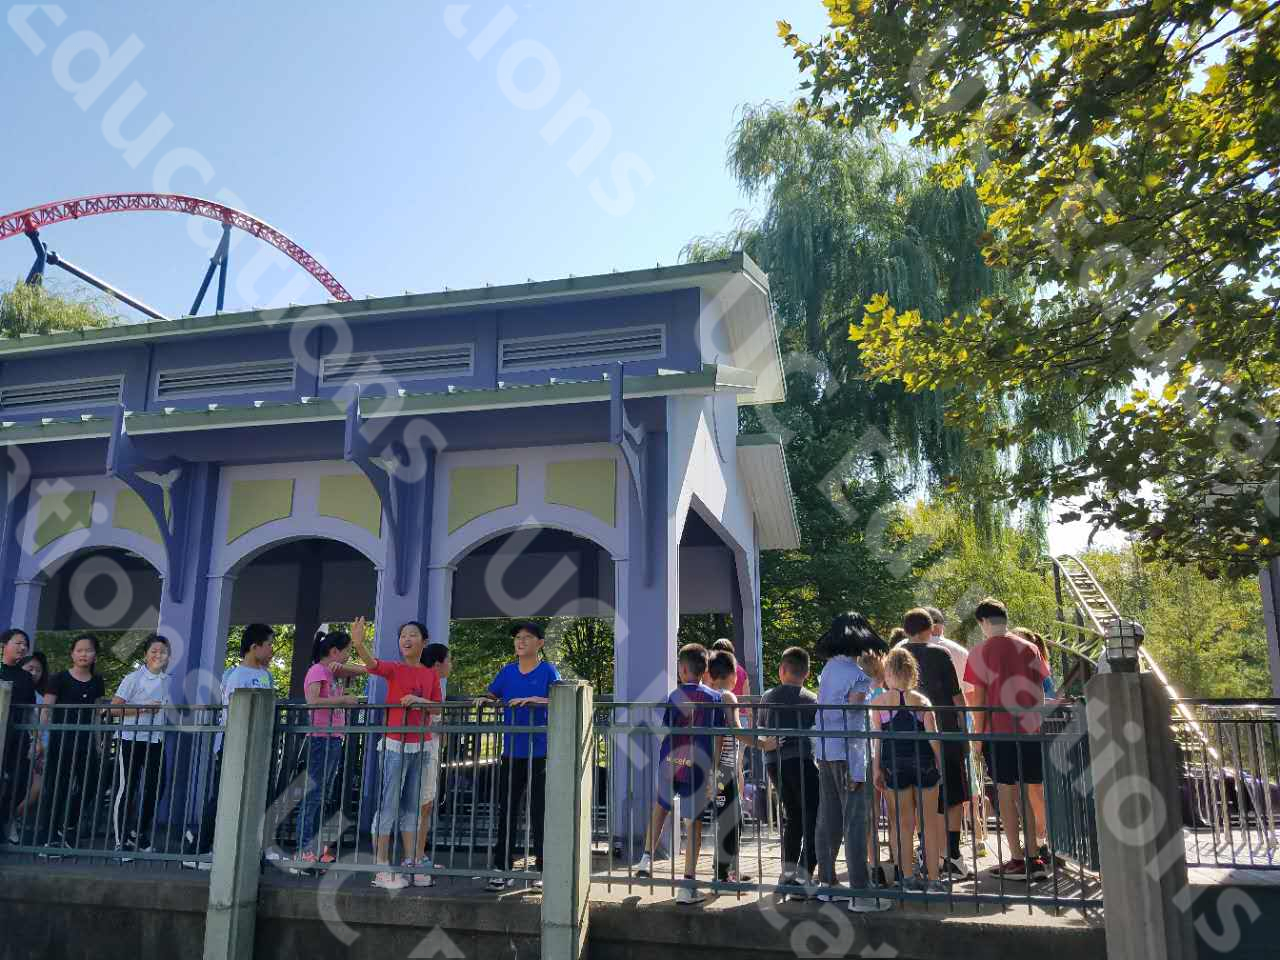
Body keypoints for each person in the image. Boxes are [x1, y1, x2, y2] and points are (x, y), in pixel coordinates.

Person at [351, 617, 441, 891]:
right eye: (403, 635)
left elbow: (437, 708)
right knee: (388, 806)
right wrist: (359, 644)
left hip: (421, 746)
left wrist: (419, 701)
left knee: (412, 808)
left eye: (412, 635)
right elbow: (372, 664)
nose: (407, 639)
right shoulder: (394, 669)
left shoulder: (430, 675)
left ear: (424, 642)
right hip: (394, 746)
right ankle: (381, 866)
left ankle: (412, 863)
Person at [964, 598, 1049, 881]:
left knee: (1005, 794)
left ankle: (1016, 859)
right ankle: (1034, 856)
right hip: (1029, 731)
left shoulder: (980, 652)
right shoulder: (1030, 648)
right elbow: (1040, 691)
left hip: (998, 733)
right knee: (1026, 793)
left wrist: (977, 739)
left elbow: (979, 700)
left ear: (983, 622)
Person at [813, 612, 892, 913]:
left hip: (826, 750)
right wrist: (873, 681)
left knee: (829, 819)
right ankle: (861, 892)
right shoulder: (857, 675)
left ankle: (828, 883)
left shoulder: (829, 669)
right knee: (856, 821)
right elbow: (855, 714)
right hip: (851, 754)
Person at [635, 643, 724, 905]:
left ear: (683, 670)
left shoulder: (674, 695)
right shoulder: (714, 698)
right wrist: (714, 768)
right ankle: (687, 886)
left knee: (661, 806)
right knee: (693, 821)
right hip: (698, 764)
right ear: (704, 670)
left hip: (670, 760)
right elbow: (718, 735)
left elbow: (666, 729)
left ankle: (646, 858)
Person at [183, 624, 276, 868]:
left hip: (258, 744)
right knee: (222, 796)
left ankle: (251, 850)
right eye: (269, 645)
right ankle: (198, 850)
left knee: (258, 796)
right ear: (254, 647)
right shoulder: (237, 676)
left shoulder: (266, 675)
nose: (271, 650)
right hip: (234, 742)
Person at [479, 621, 560, 892]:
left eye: (527, 637)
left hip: (541, 753)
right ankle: (502, 869)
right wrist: (486, 700)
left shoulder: (548, 670)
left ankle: (543, 871)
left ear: (540, 643)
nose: (520, 641)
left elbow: (563, 699)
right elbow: (492, 694)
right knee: (507, 812)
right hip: (511, 753)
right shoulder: (508, 671)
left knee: (540, 813)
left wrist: (538, 700)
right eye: (517, 638)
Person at [901, 609, 972, 880]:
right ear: (930, 629)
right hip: (945, 732)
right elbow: (957, 697)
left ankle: (925, 854)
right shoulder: (941, 654)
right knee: (953, 795)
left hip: (910, 735)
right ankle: (952, 855)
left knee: (920, 797)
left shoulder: (897, 655)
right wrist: (965, 730)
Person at [871, 647, 947, 893]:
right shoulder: (922, 702)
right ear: (912, 674)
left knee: (902, 823)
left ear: (888, 673)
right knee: (929, 824)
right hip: (924, 763)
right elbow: (933, 737)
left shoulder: (879, 703)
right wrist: (940, 764)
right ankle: (934, 879)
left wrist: (876, 769)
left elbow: (877, 739)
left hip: (894, 764)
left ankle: (906, 877)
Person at [293, 629, 365, 871]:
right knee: (314, 794)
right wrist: (343, 700)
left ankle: (314, 848)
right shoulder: (318, 671)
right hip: (320, 738)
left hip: (332, 737)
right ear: (334, 651)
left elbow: (363, 669)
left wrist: (344, 682)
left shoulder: (331, 673)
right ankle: (304, 849)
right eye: (347, 651)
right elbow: (312, 701)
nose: (348, 656)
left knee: (322, 794)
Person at [759, 646, 820, 894]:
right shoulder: (811, 699)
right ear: (807, 673)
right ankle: (804, 874)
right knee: (814, 816)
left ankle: (786, 873)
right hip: (802, 762)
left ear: (782, 670)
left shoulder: (767, 697)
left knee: (792, 816)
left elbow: (761, 730)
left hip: (774, 763)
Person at [40, 634, 107, 849]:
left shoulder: (97, 682)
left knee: (92, 783)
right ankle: (49, 836)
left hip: (86, 743)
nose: (83, 654)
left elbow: (96, 714)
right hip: (61, 742)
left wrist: (98, 743)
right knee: (57, 787)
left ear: (95, 655)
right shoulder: (59, 678)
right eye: (79, 650)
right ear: (72, 654)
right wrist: (41, 740)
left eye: (88, 650)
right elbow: (46, 711)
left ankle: (67, 823)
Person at [110, 634, 173, 858]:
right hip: (130, 738)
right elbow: (114, 709)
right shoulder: (133, 678)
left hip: (155, 740)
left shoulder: (167, 680)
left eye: (163, 652)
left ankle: (137, 833)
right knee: (127, 788)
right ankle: (120, 842)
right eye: (154, 651)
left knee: (157, 787)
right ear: (146, 654)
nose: (158, 655)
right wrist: (143, 708)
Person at [705, 649, 755, 884]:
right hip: (724, 769)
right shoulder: (728, 697)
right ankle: (723, 874)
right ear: (734, 675)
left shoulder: (708, 696)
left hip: (717, 768)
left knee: (729, 821)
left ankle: (727, 869)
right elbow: (736, 730)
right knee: (732, 822)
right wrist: (761, 743)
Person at [415, 642, 453, 876]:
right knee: (423, 805)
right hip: (424, 748)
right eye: (449, 660)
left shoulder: (432, 682)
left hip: (428, 746)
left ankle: (417, 855)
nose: (451, 664)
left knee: (423, 804)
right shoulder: (428, 681)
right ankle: (416, 856)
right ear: (438, 664)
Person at [1, 629, 40, 845]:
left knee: (21, 781)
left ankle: (7, 819)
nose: (23, 647)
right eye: (18, 643)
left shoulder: (25, 677)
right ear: (4, 645)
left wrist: (36, 739)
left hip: (18, 737)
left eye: (25, 644)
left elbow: (31, 711)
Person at [11, 653, 50, 837]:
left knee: (37, 787)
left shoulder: (42, 697)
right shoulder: (15, 692)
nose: (34, 673)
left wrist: (40, 746)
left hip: (37, 748)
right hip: (17, 746)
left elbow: (42, 727)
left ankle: (9, 819)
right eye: (30, 668)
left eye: (38, 670)